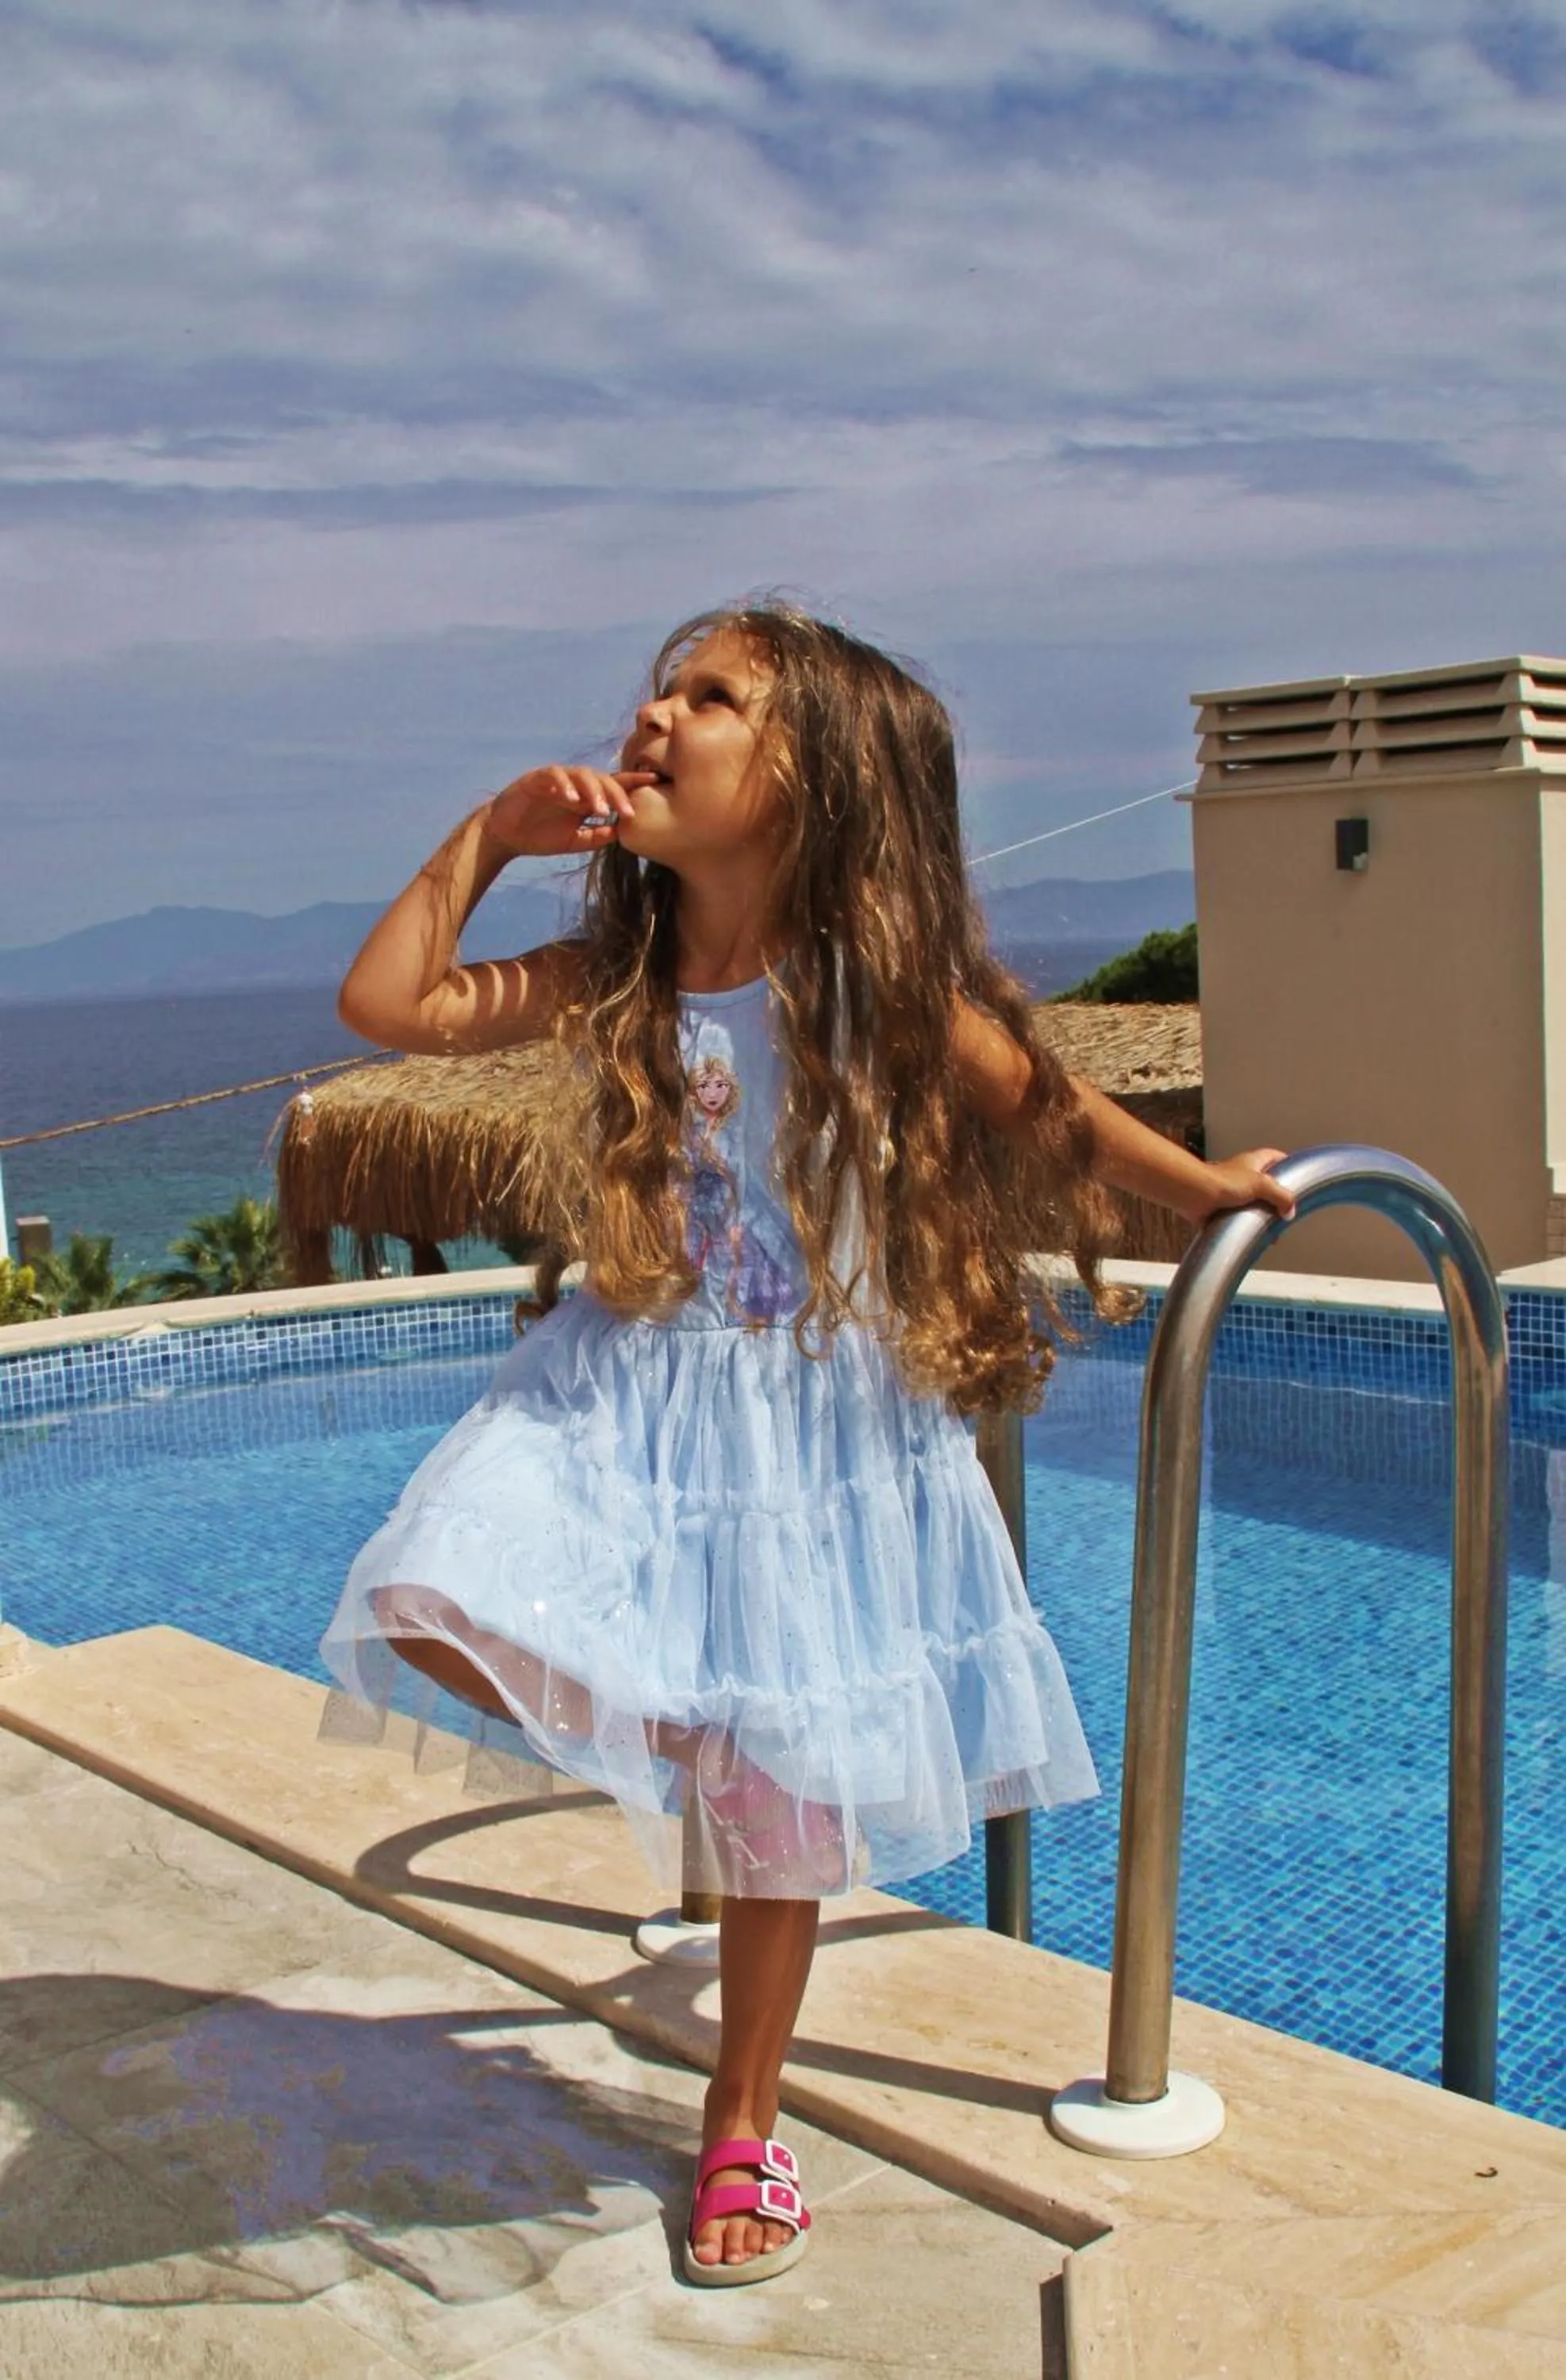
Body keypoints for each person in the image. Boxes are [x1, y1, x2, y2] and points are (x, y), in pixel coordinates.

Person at [319, 600, 1294, 2286]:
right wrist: (487, 833)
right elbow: (386, 1003)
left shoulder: (866, 988)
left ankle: (742, 2126)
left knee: (781, 1822)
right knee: (424, 1598)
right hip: (627, 1385)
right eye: (657, 686)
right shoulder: (609, 979)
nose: (655, 715)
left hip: (810, 1422)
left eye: (712, 698)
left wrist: (1212, 1191)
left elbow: (1044, 1105)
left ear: (810, 777)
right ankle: (689, 1737)